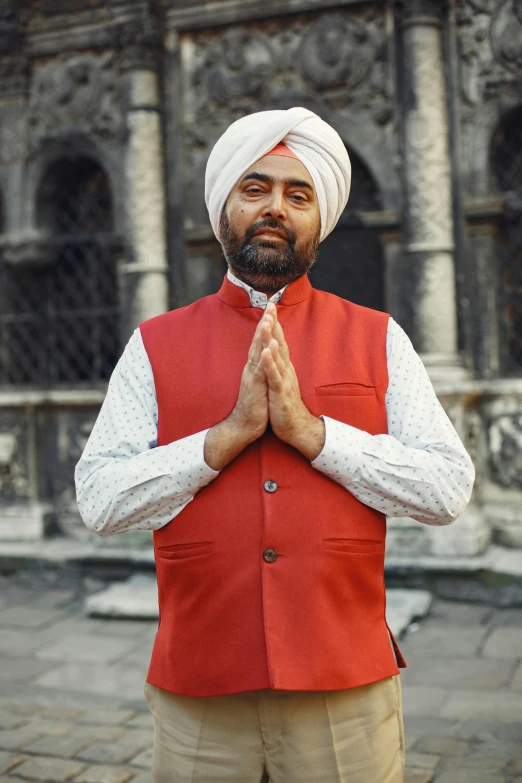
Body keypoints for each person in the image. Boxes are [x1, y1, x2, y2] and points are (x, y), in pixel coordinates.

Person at [75, 107, 475, 783]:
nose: (275, 208)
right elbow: (99, 499)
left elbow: (447, 488)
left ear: (320, 217)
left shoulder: (379, 337)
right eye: (255, 188)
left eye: (298, 194)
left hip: (343, 683)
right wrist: (220, 440)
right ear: (224, 204)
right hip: (199, 684)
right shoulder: (154, 345)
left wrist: (313, 436)